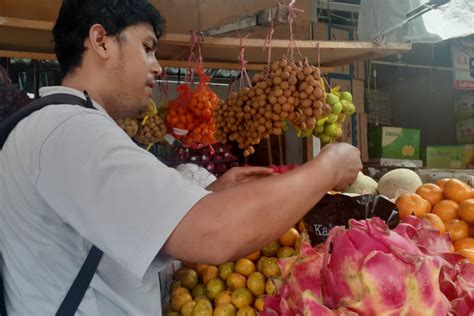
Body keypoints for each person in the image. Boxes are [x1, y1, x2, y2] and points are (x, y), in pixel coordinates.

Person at [0, 0, 362, 314]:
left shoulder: (54, 126)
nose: (157, 66)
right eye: (147, 47)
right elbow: (214, 234)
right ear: (100, 41)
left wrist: (211, 195)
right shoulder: (71, 131)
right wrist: (329, 166)